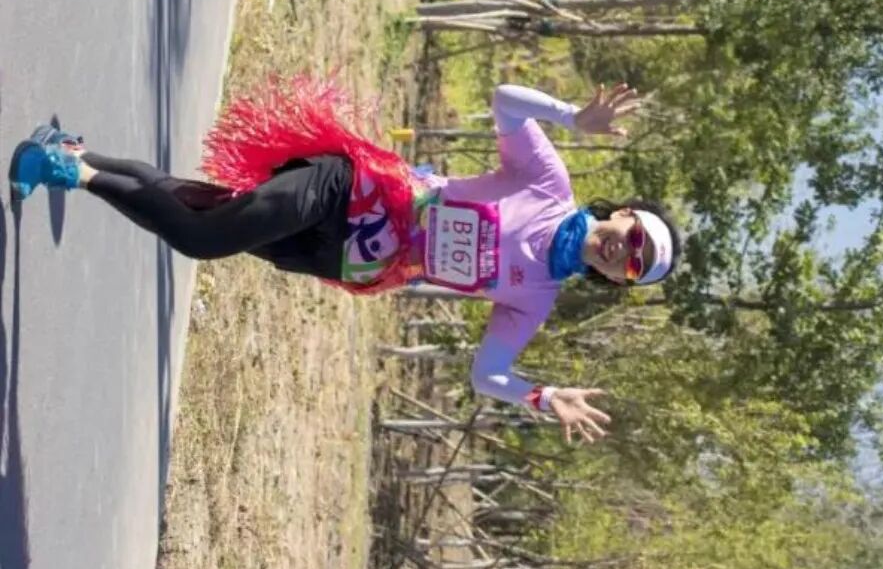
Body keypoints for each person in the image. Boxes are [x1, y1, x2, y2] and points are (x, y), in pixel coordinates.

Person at [9, 80, 681, 444]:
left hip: (347, 258)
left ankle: (77, 156)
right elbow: (505, 100)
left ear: (615, 280)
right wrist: (571, 117)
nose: (625, 251)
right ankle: (67, 168)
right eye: (636, 237)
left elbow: (488, 375)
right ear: (625, 213)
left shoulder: (534, 298)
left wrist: (542, 396)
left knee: (200, 209)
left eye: (634, 266)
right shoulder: (549, 184)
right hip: (353, 189)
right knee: (205, 238)